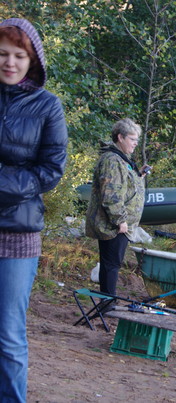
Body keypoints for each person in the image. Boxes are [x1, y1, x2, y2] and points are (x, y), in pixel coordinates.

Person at [0, 18, 68, 403]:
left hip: (18, 235)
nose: (9, 62)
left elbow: (50, 171)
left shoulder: (48, 106)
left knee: (8, 336)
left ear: (32, 60)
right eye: (2, 54)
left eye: (18, 55)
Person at [85, 118, 150, 297]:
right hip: (112, 225)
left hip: (119, 224)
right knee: (111, 265)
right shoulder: (112, 160)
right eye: (132, 139)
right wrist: (120, 220)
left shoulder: (121, 159)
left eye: (137, 140)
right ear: (120, 137)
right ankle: (107, 303)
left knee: (112, 264)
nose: (135, 143)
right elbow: (111, 194)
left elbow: (124, 186)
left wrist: (138, 176)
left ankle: (108, 301)